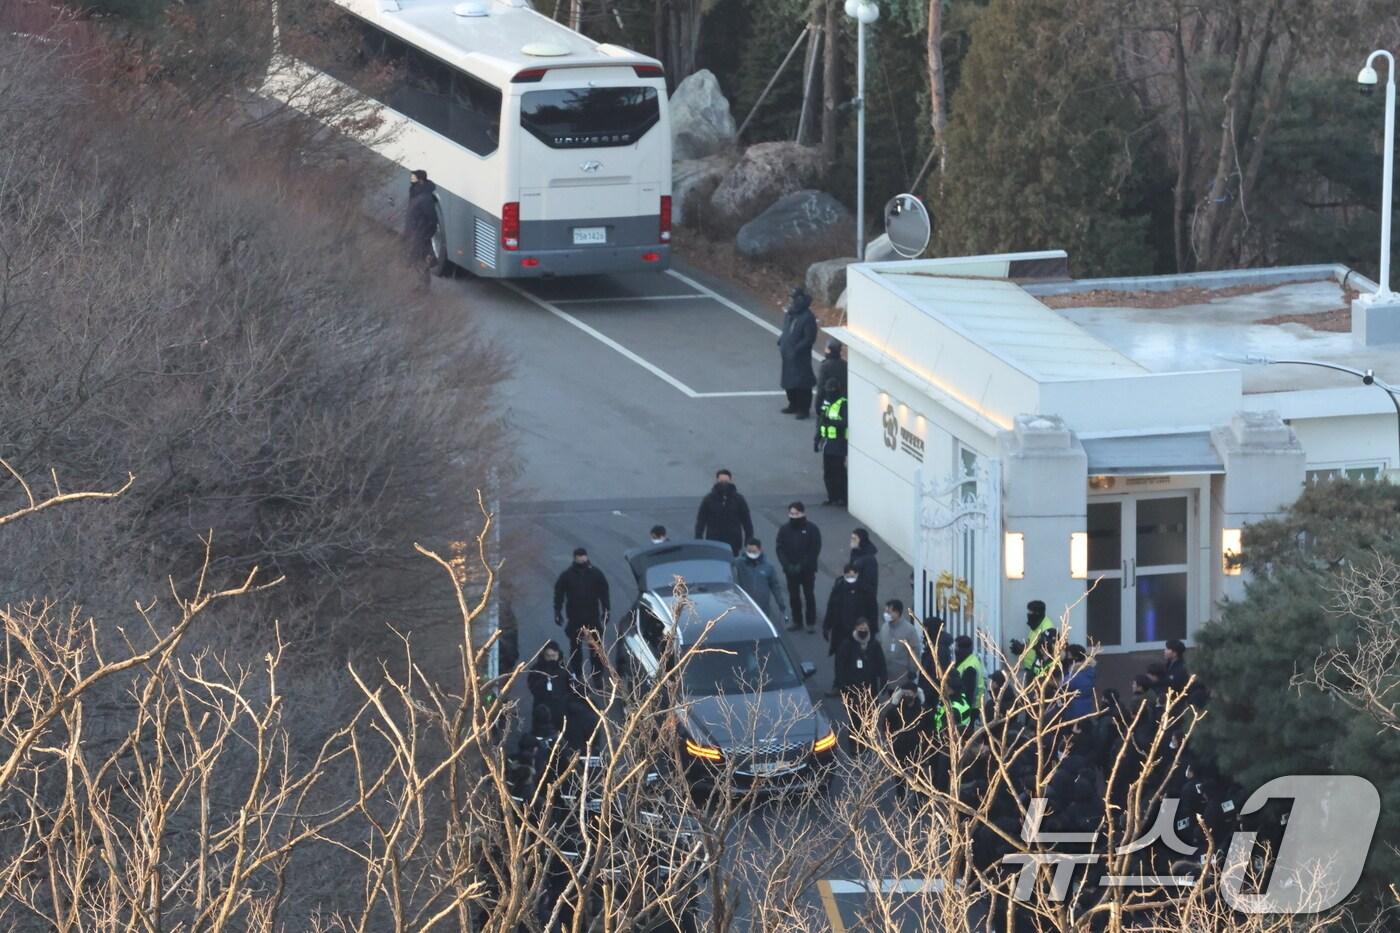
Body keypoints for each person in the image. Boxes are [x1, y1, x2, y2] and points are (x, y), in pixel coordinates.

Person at [553, 548, 610, 684]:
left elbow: (604, 592)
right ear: (575, 558)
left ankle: (597, 676)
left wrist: (607, 610)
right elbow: (559, 594)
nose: (582, 559)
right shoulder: (567, 576)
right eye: (579, 557)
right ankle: (577, 675)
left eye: (583, 556)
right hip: (575, 618)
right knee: (575, 648)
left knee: (596, 648)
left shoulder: (595, 574)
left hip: (592, 617)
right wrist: (557, 612)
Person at [775, 501, 821, 632]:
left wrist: (802, 565)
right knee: (794, 596)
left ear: (803, 513)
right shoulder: (784, 530)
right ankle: (797, 621)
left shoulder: (812, 529)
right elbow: (780, 548)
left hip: (807, 570)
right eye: (791, 513)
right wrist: (787, 565)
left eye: (796, 513)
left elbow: (814, 549)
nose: (794, 516)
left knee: (809, 595)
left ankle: (810, 622)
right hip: (790, 570)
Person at [776, 285, 817, 419]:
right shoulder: (791, 313)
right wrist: (782, 339)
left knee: (802, 383)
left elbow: (809, 338)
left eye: (793, 299)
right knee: (789, 382)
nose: (791, 301)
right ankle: (792, 404)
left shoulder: (807, 317)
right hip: (788, 355)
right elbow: (787, 329)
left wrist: (797, 349)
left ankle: (803, 409)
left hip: (800, 357)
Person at [693, 468, 754, 557]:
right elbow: (701, 521)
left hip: (733, 543)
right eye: (721, 481)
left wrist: (749, 541)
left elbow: (747, 521)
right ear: (717, 481)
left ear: (730, 481)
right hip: (714, 542)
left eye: (726, 481)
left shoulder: (739, 499)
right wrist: (699, 540)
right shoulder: (708, 499)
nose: (723, 484)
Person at [733, 538, 788, 624]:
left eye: (754, 551)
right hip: (745, 607)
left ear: (760, 550)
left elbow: (775, 586)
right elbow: (728, 564)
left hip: (763, 609)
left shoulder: (768, 567)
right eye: (749, 551)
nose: (751, 554)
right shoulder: (740, 563)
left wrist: (781, 604)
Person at [833, 618, 886, 702]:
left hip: (870, 686)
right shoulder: (847, 644)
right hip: (852, 686)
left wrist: (883, 680)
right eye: (861, 628)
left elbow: (881, 663)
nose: (863, 631)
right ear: (856, 628)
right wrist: (841, 684)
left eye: (865, 629)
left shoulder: (874, 644)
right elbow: (840, 665)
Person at [403, 169, 438, 291]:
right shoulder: (416, 192)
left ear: (420, 180)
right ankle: (420, 285)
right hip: (415, 231)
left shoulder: (425, 198)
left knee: (419, 259)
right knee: (416, 258)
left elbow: (432, 219)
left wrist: (426, 234)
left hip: (420, 232)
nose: (411, 179)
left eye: (414, 177)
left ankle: (423, 287)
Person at [815, 378, 848, 505]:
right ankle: (832, 496)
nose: (829, 393)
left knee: (838, 471)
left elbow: (845, 422)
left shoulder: (843, 403)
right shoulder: (827, 403)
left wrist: (831, 421)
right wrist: (817, 438)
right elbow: (821, 421)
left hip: (839, 442)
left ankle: (842, 497)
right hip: (828, 442)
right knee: (828, 471)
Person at [822, 563, 866, 657]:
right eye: (848, 576)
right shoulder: (839, 587)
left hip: (855, 631)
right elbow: (831, 607)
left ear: (857, 574)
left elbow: (870, 612)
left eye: (852, 576)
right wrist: (826, 626)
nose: (850, 578)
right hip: (840, 629)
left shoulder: (864, 590)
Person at [879, 599, 924, 685]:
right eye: (886, 612)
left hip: (903, 674)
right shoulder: (884, 627)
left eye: (889, 612)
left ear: (897, 612)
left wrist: (912, 669)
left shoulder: (909, 629)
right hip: (887, 674)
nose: (886, 615)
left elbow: (915, 650)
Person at [1011, 599, 1056, 678]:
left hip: (1039, 671)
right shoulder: (1035, 625)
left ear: (1037, 613)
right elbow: (1032, 643)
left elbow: (1046, 651)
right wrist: (1022, 648)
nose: (1028, 614)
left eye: (1030, 612)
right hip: (1030, 668)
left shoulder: (1047, 628)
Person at [1061, 644, 1098, 721]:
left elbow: (1062, 684)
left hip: (1075, 712)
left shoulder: (1078, 675)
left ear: (1075, 658)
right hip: (1085, 710)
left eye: (1069, 655)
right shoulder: (1088, 671)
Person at [848, 529, 879, 617]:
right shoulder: (855, 552)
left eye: (855, 539)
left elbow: (869, 582)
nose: (852, 541)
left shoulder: (869, 559)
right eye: (851, 538)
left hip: (864, 598)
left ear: (861, 540)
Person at [814, 338, 847, 415]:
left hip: (829, 401)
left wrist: (817, 406)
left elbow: (821, 388)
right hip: (843, 402)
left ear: (829, 350)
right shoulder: (845, 365)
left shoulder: (825, 366)